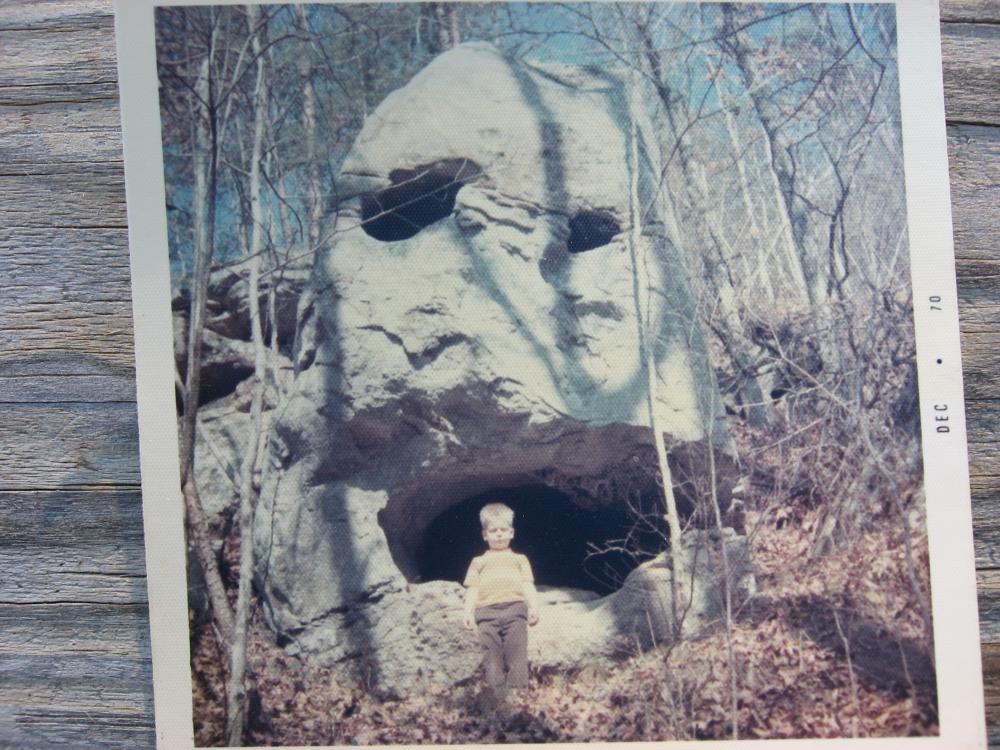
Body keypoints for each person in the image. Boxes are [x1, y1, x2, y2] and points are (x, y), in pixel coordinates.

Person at [462, 502, 539, 707]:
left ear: (512, 532)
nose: (498, 535)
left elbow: (527, 584)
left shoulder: (520, 559)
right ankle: (497, 698)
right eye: (493, 531)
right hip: (486, 614)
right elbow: (473, 589)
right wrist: (468, 612)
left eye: (503, 530)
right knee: (492, 656)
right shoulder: (478, 562)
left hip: (515, 611)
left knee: (517, 653)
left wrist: (534, 607)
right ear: (484, 535)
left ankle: (517, 697)